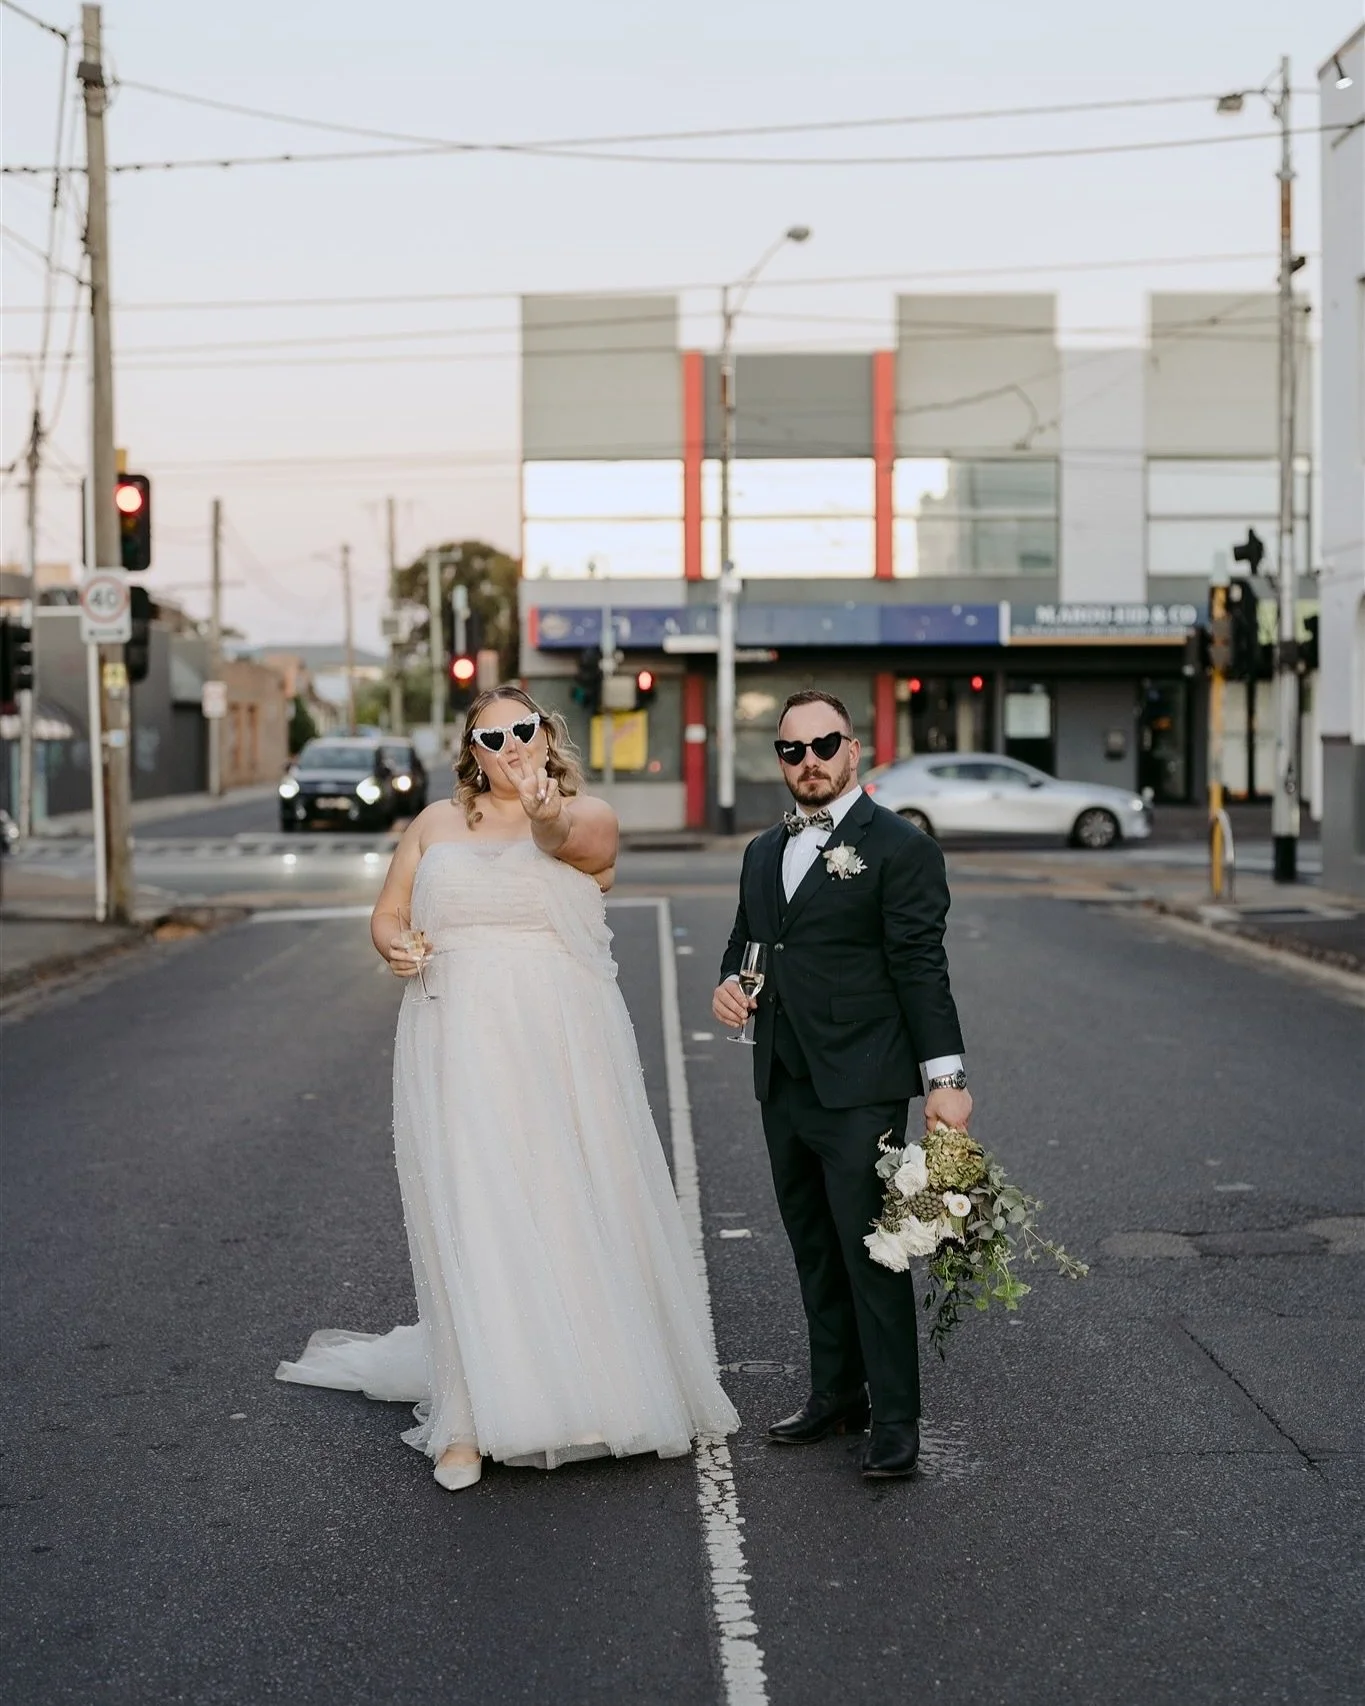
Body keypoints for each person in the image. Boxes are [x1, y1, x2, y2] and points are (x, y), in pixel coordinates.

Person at [278, 686, 738, 1491]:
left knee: (566, 1201)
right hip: (455, 1037)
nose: (508, 745)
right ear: (471, 749)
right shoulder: (431, 824)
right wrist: (397, 945)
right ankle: (466, 1416)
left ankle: (587, 1386)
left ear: (545, 734)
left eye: (522, 729)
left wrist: (543, 805)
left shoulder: (585, 813)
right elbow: (386, 914)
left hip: (561, 1042)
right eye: (489, 736)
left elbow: (570, 842)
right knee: (472, 1207)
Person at [712, 688, 971, 1481]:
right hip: (783, 1080)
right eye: (792, 751)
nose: (810, 763)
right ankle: (837, 1394)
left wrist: (946, 1081)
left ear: (853, 750)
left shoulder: (898, 848)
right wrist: (730, 986)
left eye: (824, 746)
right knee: (813, 1247)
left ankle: (895, 1418)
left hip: (861, 1084)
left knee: (873, 1254)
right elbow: (746, 946)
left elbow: (921, 970)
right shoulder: (764, 850)